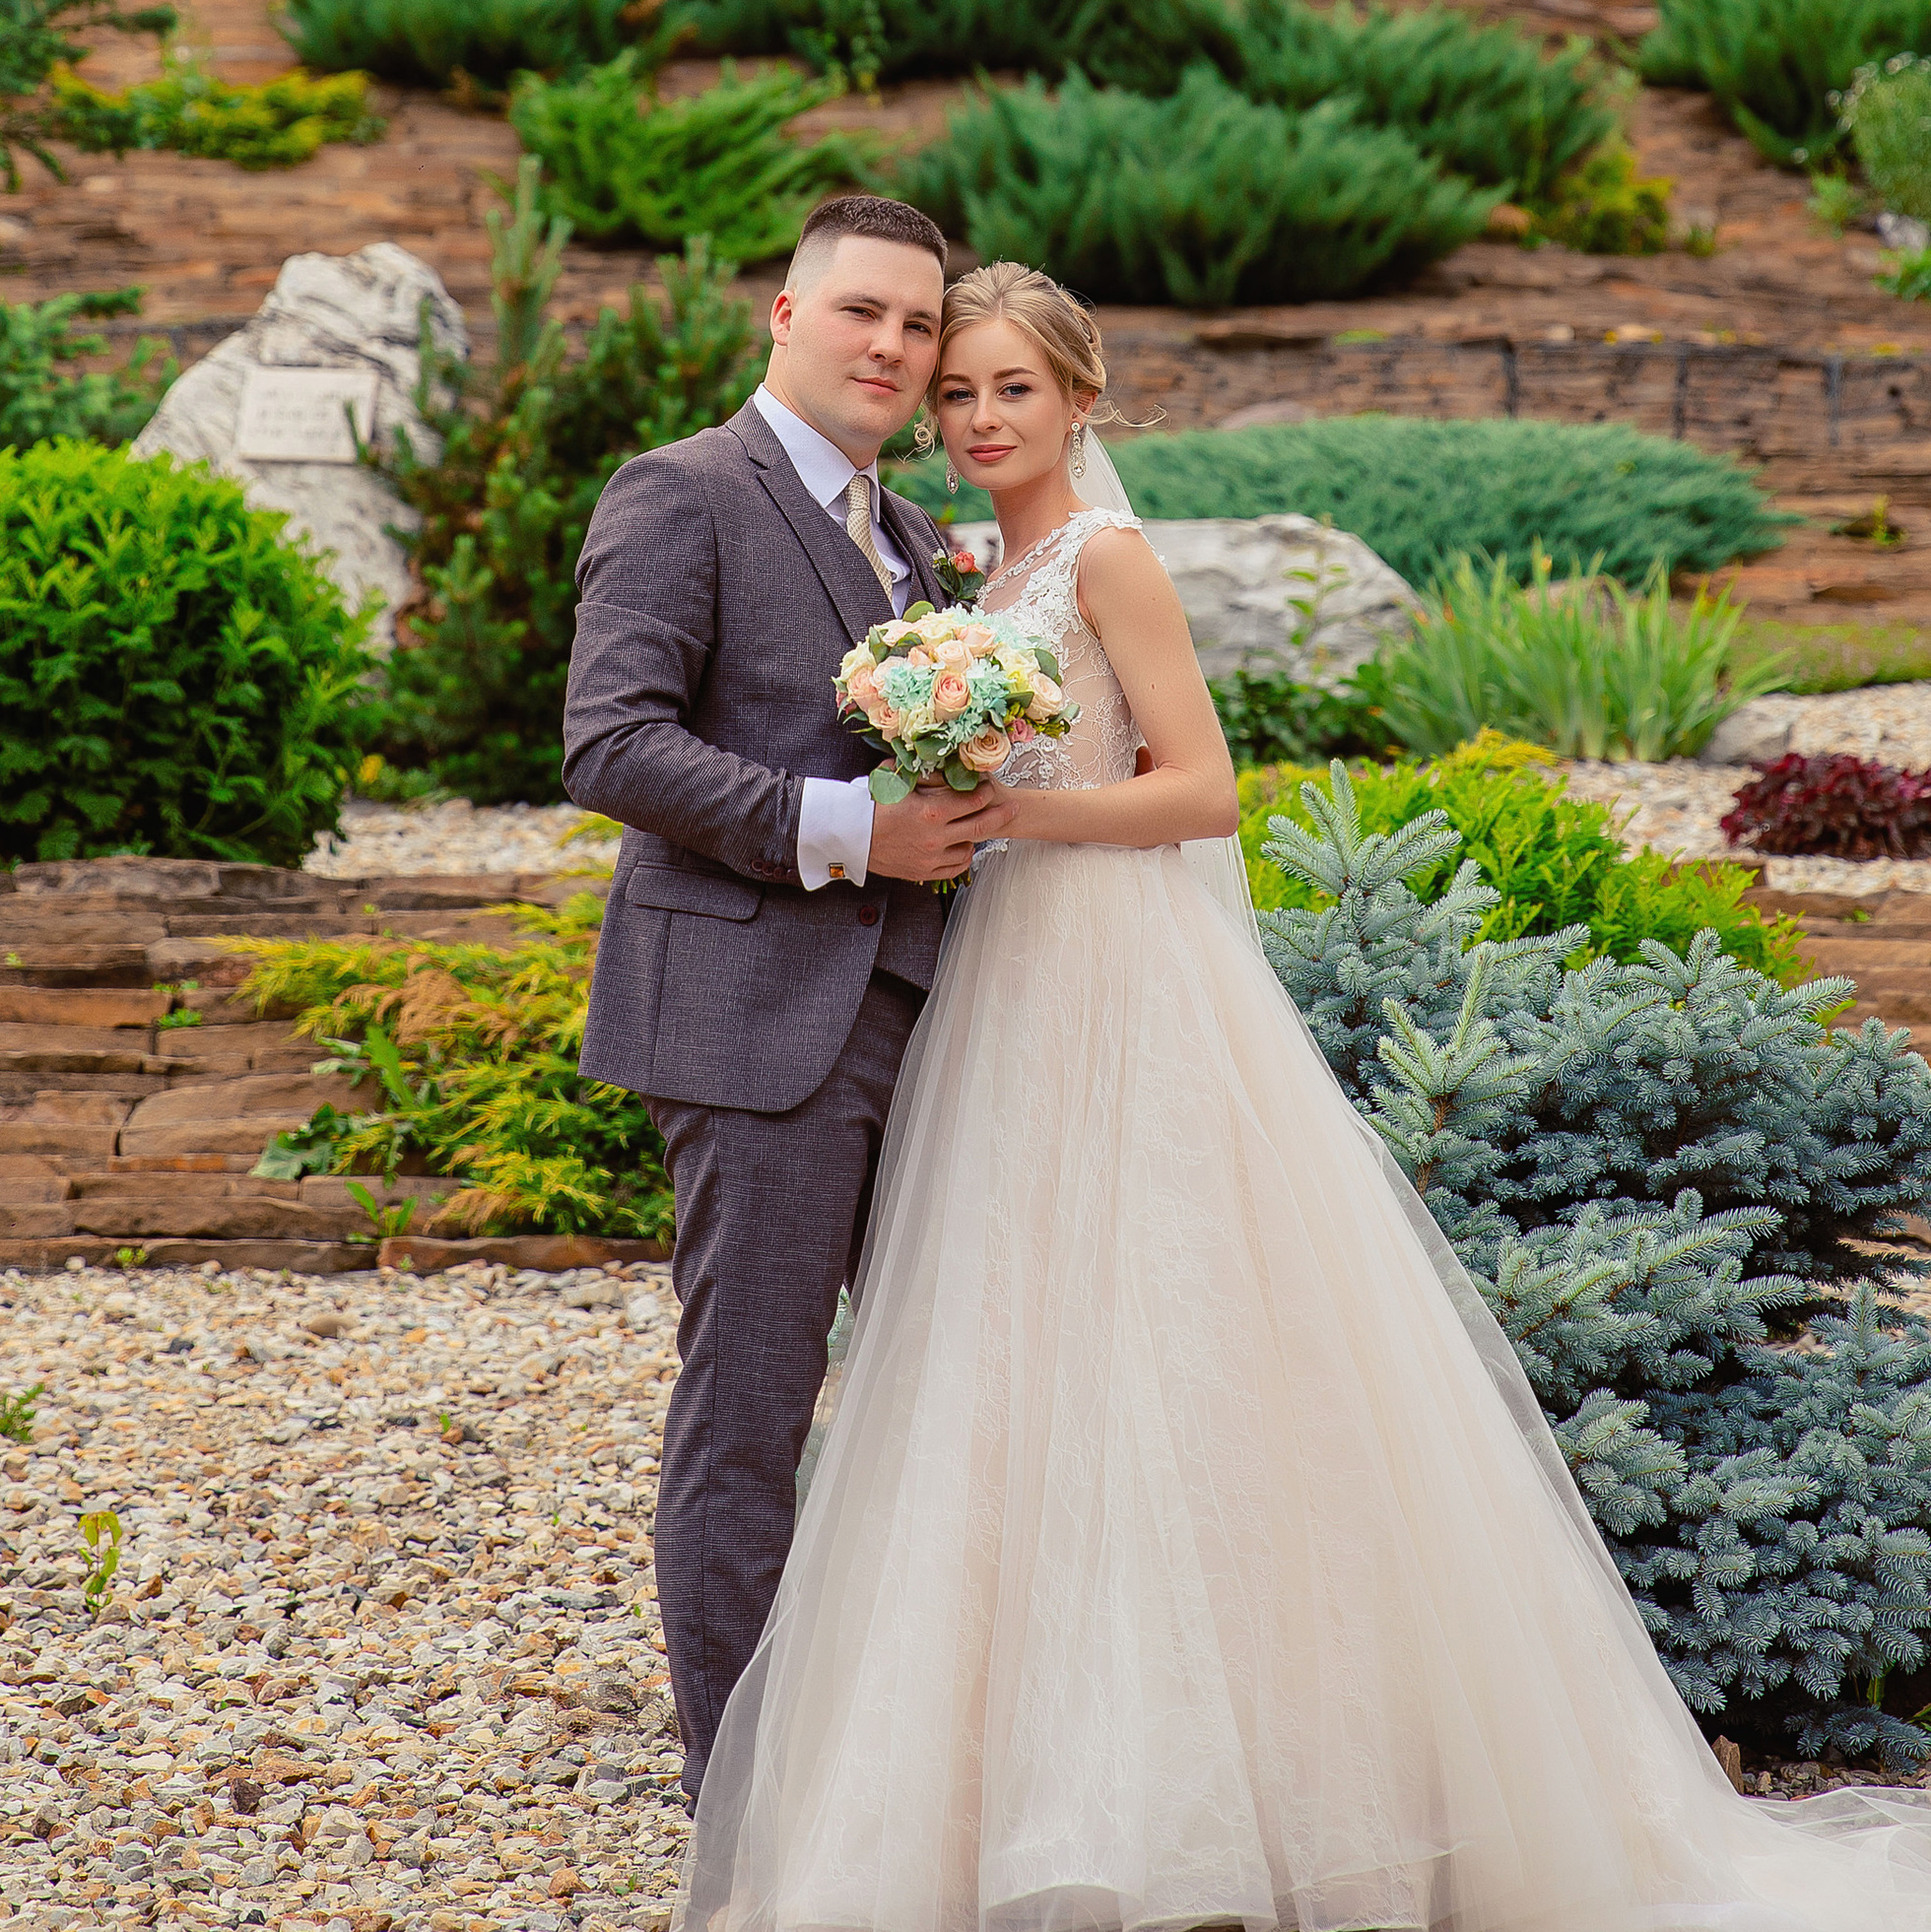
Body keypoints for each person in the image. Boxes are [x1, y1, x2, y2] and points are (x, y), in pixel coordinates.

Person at [672, 261, 1931, 1932]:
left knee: (1164, 1341)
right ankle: (1010, 1784)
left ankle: (1231, 1801)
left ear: (1081, 399)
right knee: (1015, 1351)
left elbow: (1203, 789)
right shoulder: (973, 568)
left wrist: (1015, 813)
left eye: (1011, 389)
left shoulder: (1107, 558)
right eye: (956, 392)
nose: (975, 416)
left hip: (1112, 965)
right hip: (1002, 976)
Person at [563, 194, 1017, 1815]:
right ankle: (745, 1816)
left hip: (926, 1017)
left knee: (933, 1403)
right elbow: (610, 741)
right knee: (750, 1414)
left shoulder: (921, 542)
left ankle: (885, 1772)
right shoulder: (683, 491)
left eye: (919, 322)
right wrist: (852, 832)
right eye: (861, 311)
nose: (891, 344)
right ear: (785, 313)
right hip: (754, 1019)